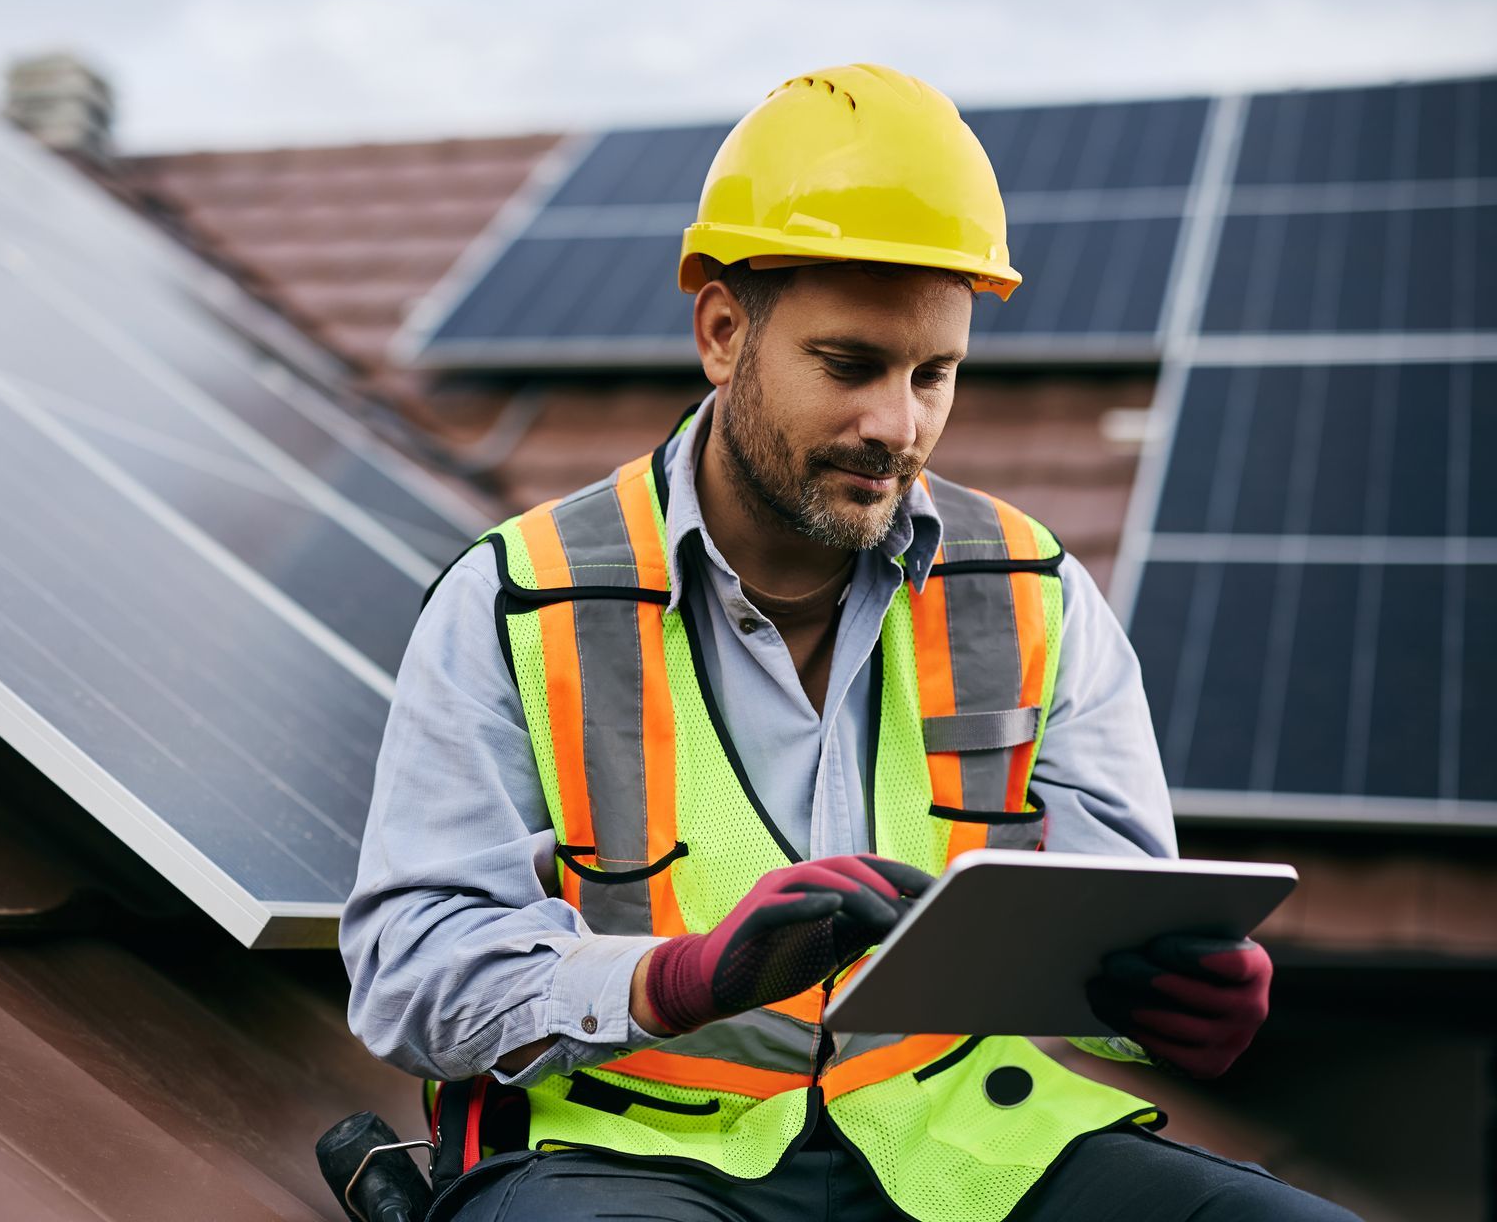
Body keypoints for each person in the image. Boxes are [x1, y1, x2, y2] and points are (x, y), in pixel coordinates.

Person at [341, 64, 1355, 1221]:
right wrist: (676, 978)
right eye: (852, 365)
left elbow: (1105, 924)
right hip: (617, 1162)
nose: (899, 425)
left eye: (936, 375)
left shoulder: (1033, 592)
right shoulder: (518, 599)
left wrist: (1159, 999)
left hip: (953, 1142)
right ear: (724, 331)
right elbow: (413, 979)